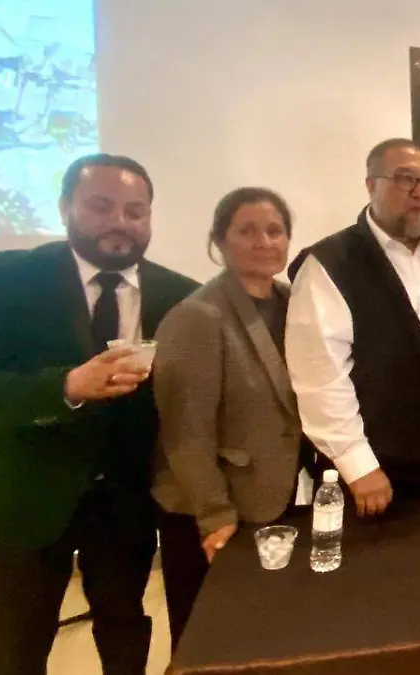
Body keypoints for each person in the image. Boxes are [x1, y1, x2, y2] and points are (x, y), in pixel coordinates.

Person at [0, 154, 197, 675]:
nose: (119, 222)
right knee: (16, 650)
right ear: (65, 207)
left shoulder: (181, 296)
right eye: (101, 206)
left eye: (135, 210)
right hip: (23, 499)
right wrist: (67, 387)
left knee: (126, 632)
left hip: (125, 504)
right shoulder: (10, 279)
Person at [285, 138, 420, 517]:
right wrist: (357, 464)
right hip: (378, 478)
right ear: (371, 185)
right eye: (405, 179)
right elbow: (320, 377)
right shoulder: (331, 264)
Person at [151, 187, 309, 650]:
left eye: (275, 231)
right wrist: (214, 514)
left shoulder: (292, 302)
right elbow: (185, 431)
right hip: (211, 510)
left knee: (261, 629)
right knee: (208, 641)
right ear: (219, 241)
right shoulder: (197, 316)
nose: (264, 241)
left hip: (273, 497)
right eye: (247, 231)